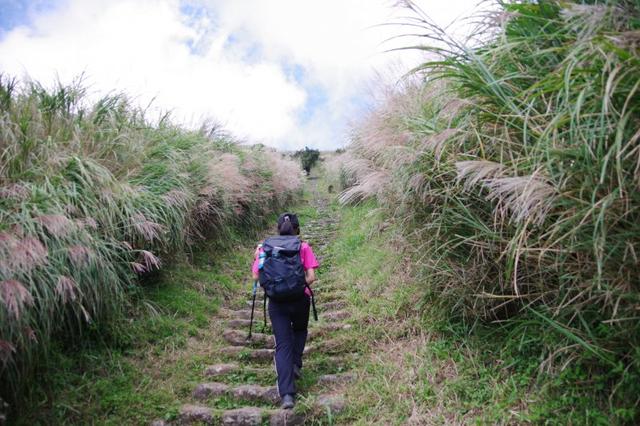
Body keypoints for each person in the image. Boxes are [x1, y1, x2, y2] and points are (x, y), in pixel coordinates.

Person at [251, 212, 319, 410]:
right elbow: (311, 277)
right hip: (300, 300)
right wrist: (296, 286)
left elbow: (256, 277)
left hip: (276, 302)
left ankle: (287, 396)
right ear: (297, 229)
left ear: (278, 229)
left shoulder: (265, 248)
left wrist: (257, 257)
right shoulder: (303, 246)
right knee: (299, 331)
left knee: (282, 344)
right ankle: (296, 364)